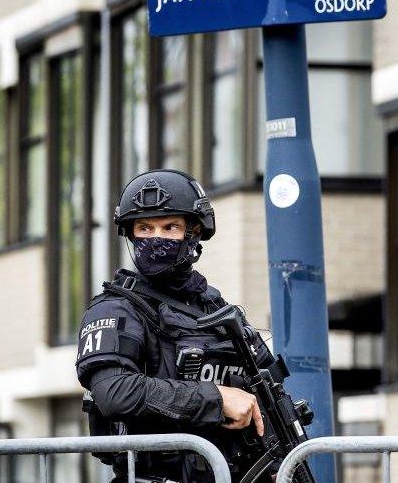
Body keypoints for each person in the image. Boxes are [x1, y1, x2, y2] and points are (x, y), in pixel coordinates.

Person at [76, 169, 276, 483]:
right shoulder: (115, 308)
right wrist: (217, 399)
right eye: (145, 228)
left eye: (169, 227)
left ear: (193, 232)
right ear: (131, 235)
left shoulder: (215, 308)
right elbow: (115, 393)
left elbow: (267, 386)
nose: (156, 238)